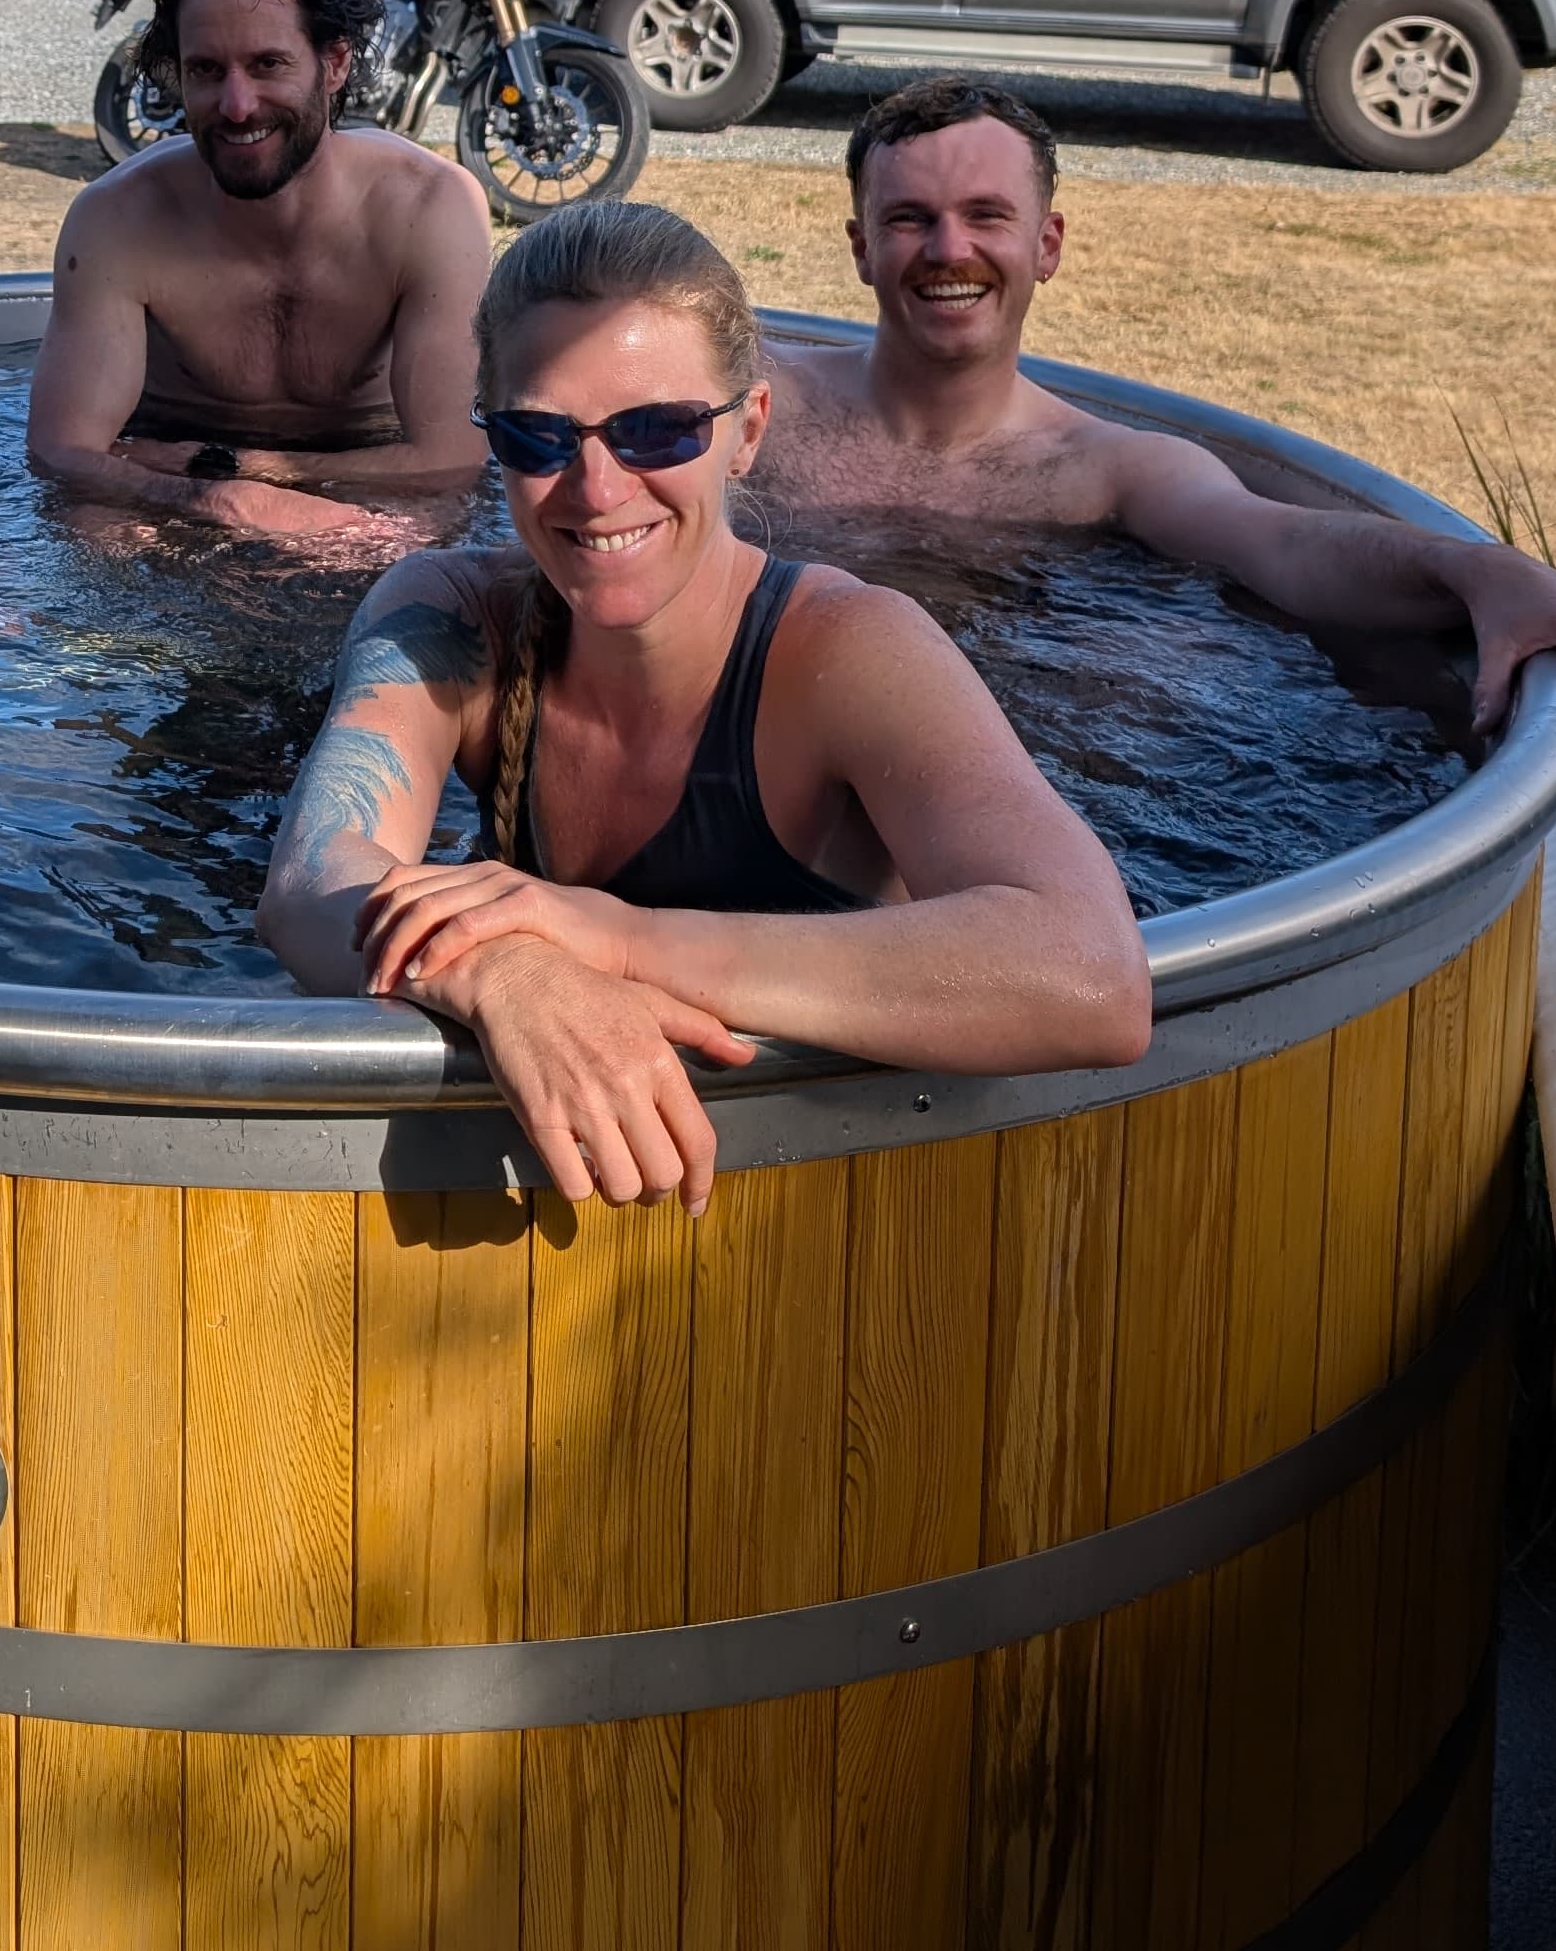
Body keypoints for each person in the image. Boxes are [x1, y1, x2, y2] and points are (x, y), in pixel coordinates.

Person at [258, 202, 1150, 1209]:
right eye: (538, 436)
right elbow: (308, 882)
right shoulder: (457, 617)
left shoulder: (847, 650)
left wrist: (615, 941)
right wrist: (506, 971)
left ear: (747, 432)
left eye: (657, 430)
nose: (595, 488)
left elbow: (1092, 977)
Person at [758, 70, 1556, 725]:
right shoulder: (761, 401)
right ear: (861, 248)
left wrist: (1479, 571)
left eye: (987, 216)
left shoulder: (1109, 472)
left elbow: (1285, 544)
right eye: (910, 219)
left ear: (1048, 244)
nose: (949, 250)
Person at [26, 0, 492, 544]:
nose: (237, 106)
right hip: (167, 523)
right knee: (92, 528)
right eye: (207, 71)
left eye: (268, 64)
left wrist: (242, 480)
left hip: (357, 520)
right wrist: (210, 499)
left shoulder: (429, 209)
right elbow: (63, 456)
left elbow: (450, 464)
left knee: (426, 539)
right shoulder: (118, 219)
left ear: (333, 65)